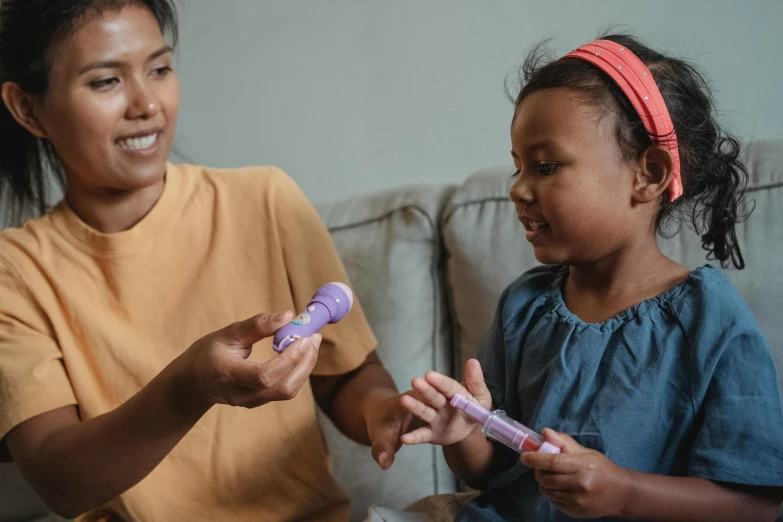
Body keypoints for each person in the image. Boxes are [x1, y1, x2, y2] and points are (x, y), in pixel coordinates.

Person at [0, 1, 412, 520]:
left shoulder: (267, 199)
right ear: (27, 108)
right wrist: (188, 388)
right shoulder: (13, 272)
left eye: (160, 68)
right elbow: (60, 481)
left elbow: (347, 374)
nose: (147, 104)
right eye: (106, 81)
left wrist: (387, 412)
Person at [399, 34, 783, 521]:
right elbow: (492, 472)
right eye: (518, 167)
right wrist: (464, 435)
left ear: (649, 173)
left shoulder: (710, 318)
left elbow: (755, 506)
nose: (517, 189)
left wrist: (625, 493)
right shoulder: (524, 305)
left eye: (545, 165)